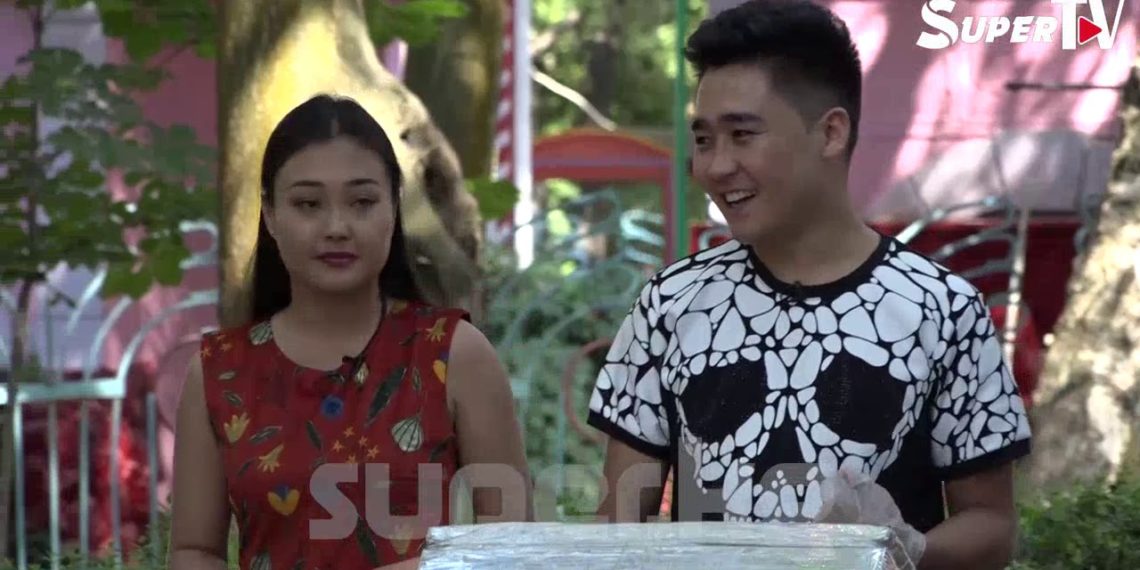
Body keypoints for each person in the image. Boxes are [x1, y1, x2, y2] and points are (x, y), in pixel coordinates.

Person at [586, 1, 1031, 568]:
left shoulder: (944, 311)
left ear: (831, 132)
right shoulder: (669, 305)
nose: (716, 167)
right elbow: (616, 528)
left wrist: (907, 548)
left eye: (742, 135)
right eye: (704, 140)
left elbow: (992, 524)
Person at [168, 94, 530, 570]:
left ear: (393, 209)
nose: (337, 227)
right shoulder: (219, 372)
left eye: (362, 202)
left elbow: (513, 544)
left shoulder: (453, 354)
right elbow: (195, 550)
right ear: (271, 215)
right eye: (308, 204)